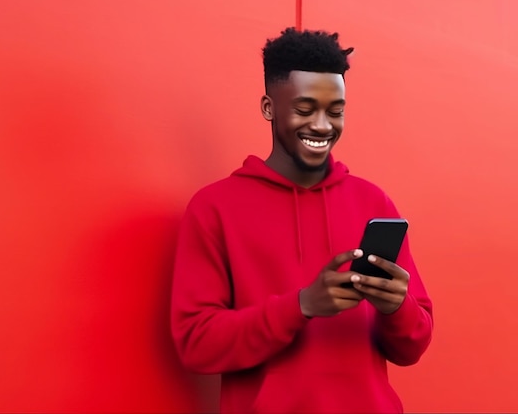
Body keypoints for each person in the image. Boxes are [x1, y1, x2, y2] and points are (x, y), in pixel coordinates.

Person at [170, 27, 433, 414]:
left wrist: (398, 307)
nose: (323, 126)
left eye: (336, 111)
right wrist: (301, 306)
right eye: (305, 109)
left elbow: (413, 345)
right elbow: (196, 344)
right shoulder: (214, 207)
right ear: (268, 107)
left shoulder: (373, 202)